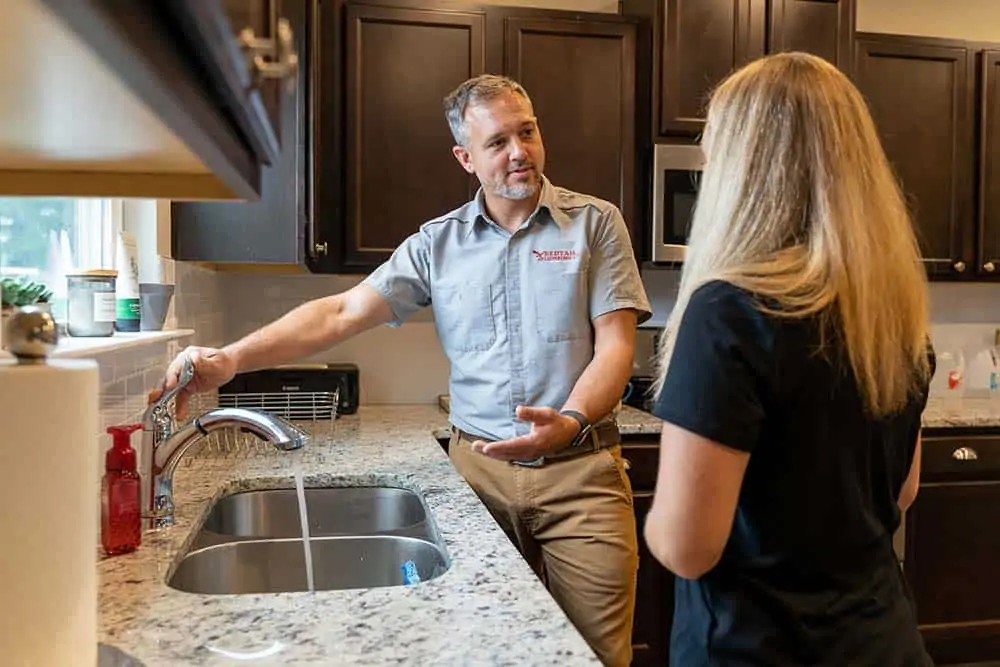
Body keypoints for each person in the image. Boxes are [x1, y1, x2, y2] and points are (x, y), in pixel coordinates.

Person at [150, 74, 651, 667]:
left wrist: (568, 420)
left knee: (597, 656)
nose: (519, 152)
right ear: (465, 158)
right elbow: (340, 312)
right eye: (497, 143)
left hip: (582, 475)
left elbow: (616, 347)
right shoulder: (437, 245)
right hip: (477, 477)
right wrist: (230, 360)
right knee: (479, 649)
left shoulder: (594, 224)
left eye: (527, 132)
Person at [643, 52, 935, 666]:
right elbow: (901, 493)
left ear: (742, 171)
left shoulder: (726, 312)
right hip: (881, 642)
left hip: (760, 648)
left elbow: (685, 547)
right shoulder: (891, 316)